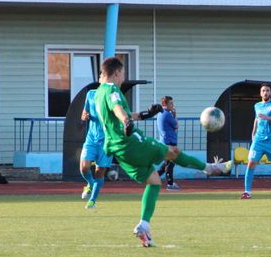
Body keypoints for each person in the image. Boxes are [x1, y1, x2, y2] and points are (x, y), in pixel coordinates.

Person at [94, 57, 231, 246]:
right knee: (172, 151)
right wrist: (127, 121)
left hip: (118, 149)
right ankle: (209, 168)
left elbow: (117, 113)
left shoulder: (98, 93)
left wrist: (145, 114)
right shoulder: (111, 90)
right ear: (116, 73)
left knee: (154, 181)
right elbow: (118, 109)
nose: (123, 78)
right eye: (123, 74)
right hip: (131, 142)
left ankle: (144, 225)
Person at [79, 78, 112, 210]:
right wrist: (84, 115)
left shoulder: (112, 97)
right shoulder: (91, 94)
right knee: (84, 167)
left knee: (100, 171)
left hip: (107, 140)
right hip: (91, 138)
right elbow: (84, 112)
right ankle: (91, 183)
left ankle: (92, 200)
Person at [155, 96, 180, 190]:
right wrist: (175, 116)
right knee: (171, 163)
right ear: (165, 104)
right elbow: (176, 125)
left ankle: (155, 177)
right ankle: (170, 184)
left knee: (166, 163)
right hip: (169, 141)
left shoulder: (160, 113)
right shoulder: (167, 114)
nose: (172, 105)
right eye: (171, 103)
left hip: (164, 140)